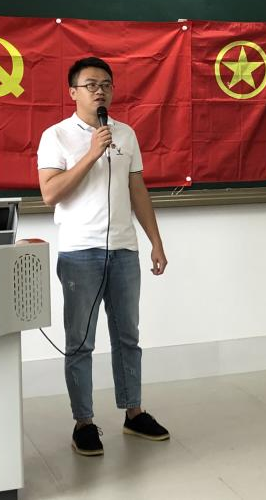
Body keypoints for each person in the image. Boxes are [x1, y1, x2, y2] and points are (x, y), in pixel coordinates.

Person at [37, 56, 169, 456]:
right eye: (91, 85)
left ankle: (134, 412)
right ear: (73, 92)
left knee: (128, 336)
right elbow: (50, 193)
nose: (100, 91)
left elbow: (137, 190)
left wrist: (155, 241)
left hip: (124, 250)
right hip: (80, 253)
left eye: (106, 85)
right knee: (80, 341)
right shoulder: (56, 136)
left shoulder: (125, 134)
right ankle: (84, 422)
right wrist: (92, 153)